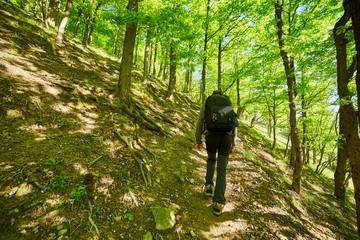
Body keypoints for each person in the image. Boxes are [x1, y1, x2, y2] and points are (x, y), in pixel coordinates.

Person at [195, 90, 237, 216]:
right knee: (222, 170)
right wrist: (232, 144)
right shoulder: (228, 102)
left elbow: (201, 120)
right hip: (226, 138)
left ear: (213, 94)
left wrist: (198, 139)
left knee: (211, 159)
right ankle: (218, 203)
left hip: (211, 137)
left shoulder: (208, 101)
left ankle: (208, 187)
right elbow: (234, 123)